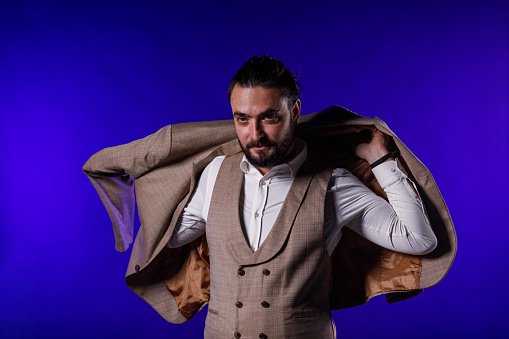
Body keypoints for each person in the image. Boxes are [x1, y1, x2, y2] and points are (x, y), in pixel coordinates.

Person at [83, 55, 455, 339]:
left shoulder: (334, 184)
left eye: (269, 118)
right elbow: (169, 236)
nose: (254, 133)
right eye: (242, 119)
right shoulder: (213, 173)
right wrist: (152, 183)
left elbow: (420, 240)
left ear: (294, 112)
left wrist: (383, 161)